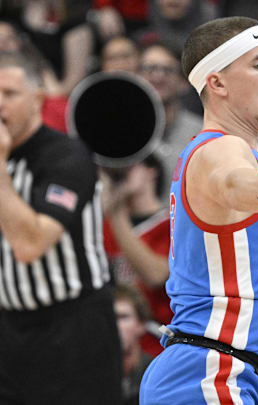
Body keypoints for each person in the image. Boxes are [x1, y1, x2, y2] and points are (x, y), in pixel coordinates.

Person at [139, 16, 258, 405]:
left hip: (221, 370)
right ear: (216, 83)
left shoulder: (253, 158)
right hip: (209, 371)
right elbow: (232, 183)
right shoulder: (218, 149)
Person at [0, 51, 122, 403]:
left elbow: (30, 244)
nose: (0, 104)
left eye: (10, 94)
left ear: (38, 98)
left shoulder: (67, 158)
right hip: (11, 329)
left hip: (73, 330)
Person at [103, 153, 172, 355]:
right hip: (112, 340)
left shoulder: (173, 224)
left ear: (152, 172)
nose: (122, 171)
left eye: (131, 164)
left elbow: (156, 275)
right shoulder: (106, 225)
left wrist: (116, 213)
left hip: (157, 342)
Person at [137, 41, 203, 196]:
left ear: (184, 82)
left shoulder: (202, 133)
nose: (158, 76)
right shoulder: (121, 129)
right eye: (149, 68)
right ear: (136, 75)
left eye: (167, 70)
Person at [115, 282, 156, 405]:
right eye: (110, 318)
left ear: (142, 324)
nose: (115, 326)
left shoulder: (156, 373)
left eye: (122, 317)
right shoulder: (87, 376)